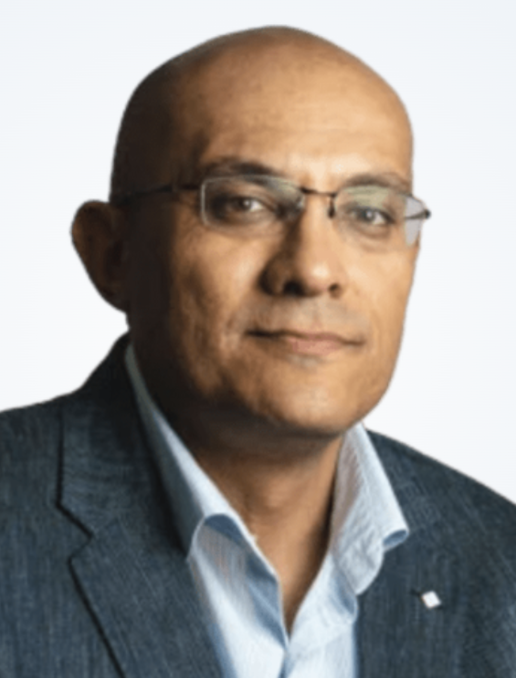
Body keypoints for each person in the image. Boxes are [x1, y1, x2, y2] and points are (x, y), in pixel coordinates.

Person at [1, 26, 515, 678]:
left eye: (369, 213)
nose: (314, 270)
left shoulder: (501, 563)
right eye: (245, 203)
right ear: (113, 255)